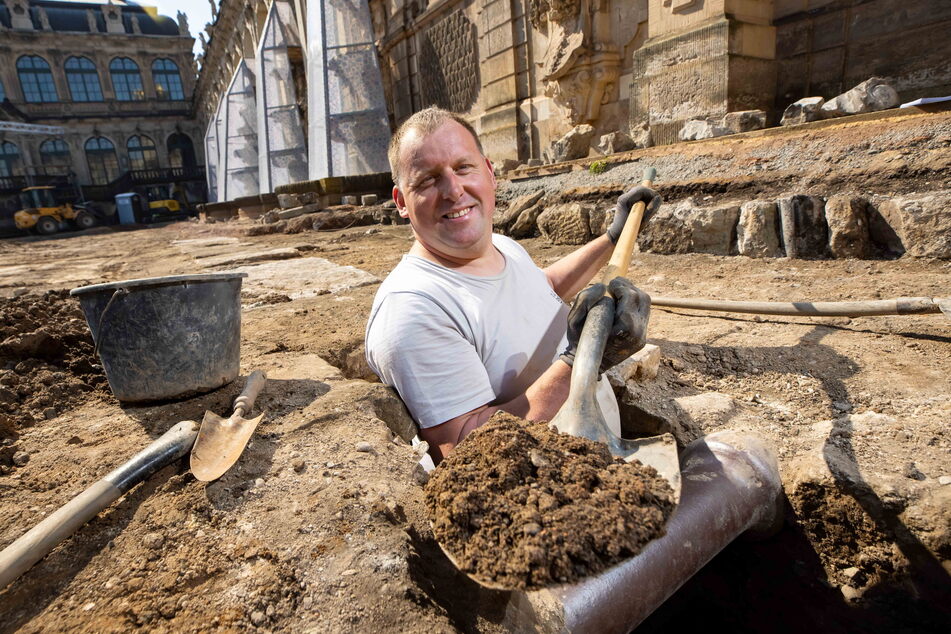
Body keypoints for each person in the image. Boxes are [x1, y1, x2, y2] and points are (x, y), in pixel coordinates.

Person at [365, 107, 660, 462]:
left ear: (490, 174)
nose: (453, 190)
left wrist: (614, 237)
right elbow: (469, 450)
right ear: (401, 202)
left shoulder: (500, 246)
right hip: (550, 487)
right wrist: (583, 360)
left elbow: (542, 287)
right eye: (427, 180)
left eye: (463, 168)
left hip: (597, 448)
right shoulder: (413, 310)